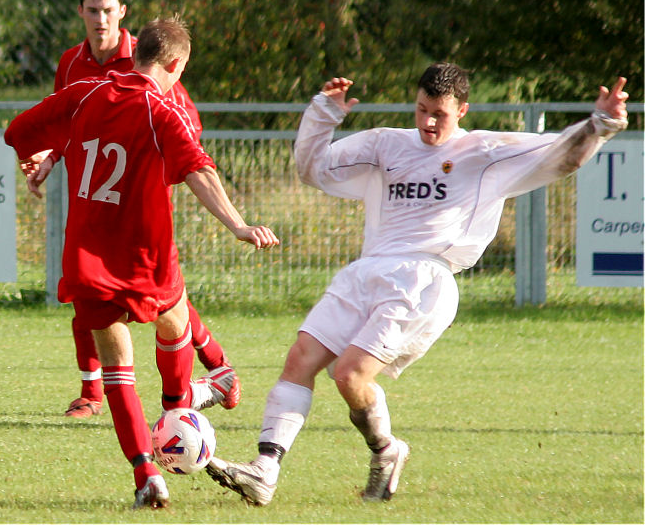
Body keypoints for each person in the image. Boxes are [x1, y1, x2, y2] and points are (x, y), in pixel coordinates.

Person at [205, 64, 629, 505]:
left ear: (462, 110)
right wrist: (322, 115)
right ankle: (264, 471)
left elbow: (558, 156)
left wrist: (601, 124)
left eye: (439, 114)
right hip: (366, 271)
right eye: (421, 109)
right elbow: (314, 170)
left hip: (423, 280)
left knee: (350, 376)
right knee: (300, 358)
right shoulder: (384, 144)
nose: (427, 122)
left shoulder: (484, 152)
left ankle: (386, 451)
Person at [5, 16, 280, 508]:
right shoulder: (162, 109)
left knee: (118, 374)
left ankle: (147, 476)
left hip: (88, 259)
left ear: (135, 55)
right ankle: (180, 408)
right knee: (174, 321)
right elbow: (200, 170)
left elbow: (17, 131)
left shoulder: (85, 92)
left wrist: (42, 150)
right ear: (175, 64)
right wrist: (238, 225)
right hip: (145, 259)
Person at [27, 0, 240, 419]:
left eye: (108, 10)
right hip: (94, 193)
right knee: (87, 286)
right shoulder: (70, 63)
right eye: (92, 10)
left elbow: (182, 124)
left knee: (164, 297)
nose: (100, 19)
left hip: (142, 196)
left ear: (122, 13)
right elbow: (68, 121)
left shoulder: (145, 57)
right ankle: (92, 392)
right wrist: (49, 157)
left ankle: (211, 371)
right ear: (80, 12)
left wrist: (167, 170)